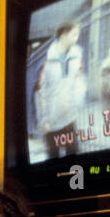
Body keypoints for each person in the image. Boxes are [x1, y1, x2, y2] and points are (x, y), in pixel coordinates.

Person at [35, 21, 86, 158]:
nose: (77, 38)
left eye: (78, 34)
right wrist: (43, 120)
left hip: (69, 118)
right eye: (74, 34)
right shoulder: (45, 61)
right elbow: (39, 92)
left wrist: (77, 101)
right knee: (53, 157)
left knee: (74, 154)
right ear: (63, 35)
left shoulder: (77, 57)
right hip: (51, 122)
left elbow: (80, 81)